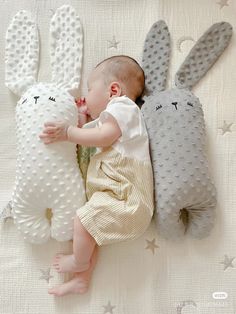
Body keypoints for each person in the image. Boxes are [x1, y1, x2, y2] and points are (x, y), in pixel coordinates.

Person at [39, 55, 154, 296]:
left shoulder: (123, 107)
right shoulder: (111, 120)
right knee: (87, 230)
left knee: (83, 221)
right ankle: (81, 280)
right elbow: (90, 140)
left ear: (113, 90)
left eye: (90, 89)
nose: (87, 95)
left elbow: (102, 137)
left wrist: (69, 132)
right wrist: (82, 119)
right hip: (117, 198)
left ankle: (80, 263)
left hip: (128, 200)